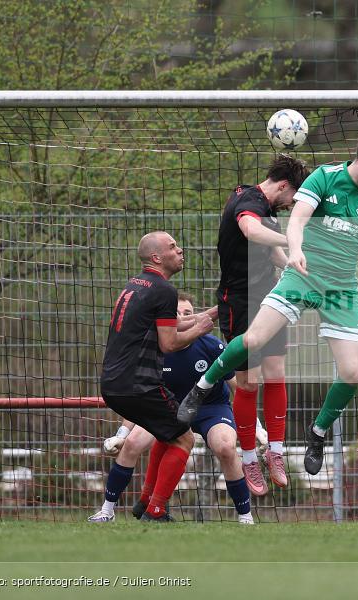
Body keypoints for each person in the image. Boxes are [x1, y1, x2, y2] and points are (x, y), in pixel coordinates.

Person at [178, 134, 358, 478]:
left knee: (353, 373)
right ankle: (204, 386)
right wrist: (296, 251)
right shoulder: (324, 178)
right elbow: (298, 220)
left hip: (340, 287)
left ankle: (317, 432)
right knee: (253, 342)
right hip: (301, 275)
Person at [89, 293, 255, 524]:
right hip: (168, 409)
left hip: (211, 408)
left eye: (188, 313)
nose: (182, 317)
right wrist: (121, 434)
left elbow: (240, 389)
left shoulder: (212, 346)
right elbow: (141, 398)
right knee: (133, 442)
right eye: (176, 313)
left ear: (196, 318)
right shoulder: (152, 349)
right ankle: (107, 511)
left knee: (226, 447)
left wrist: (255, 427)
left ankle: (245, 517)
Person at [98, 232, 214, 522]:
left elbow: (172, 322)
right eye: (173, 247)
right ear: (157, 257)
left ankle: (116, 509)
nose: (180, 250)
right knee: (184, 439)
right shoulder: (164, 290)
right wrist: (202, 329)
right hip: (141, 385)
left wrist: (215, 312)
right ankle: (156, 510)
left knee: (158, 437)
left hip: (113, 385)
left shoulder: (135, 285)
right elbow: (170, 344)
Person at [215, 155, 309, 494]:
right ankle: (250, 458)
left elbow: (269, 251)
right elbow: (250, 230)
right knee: (248, 383)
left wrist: (293, 264)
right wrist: (292, 241)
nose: (292, 204)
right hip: (238, 301)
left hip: (268, 297)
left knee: (276, 371)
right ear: (283, 186)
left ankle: (277, 453)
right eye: (293, 197)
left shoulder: (266, 207)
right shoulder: (249, 202)